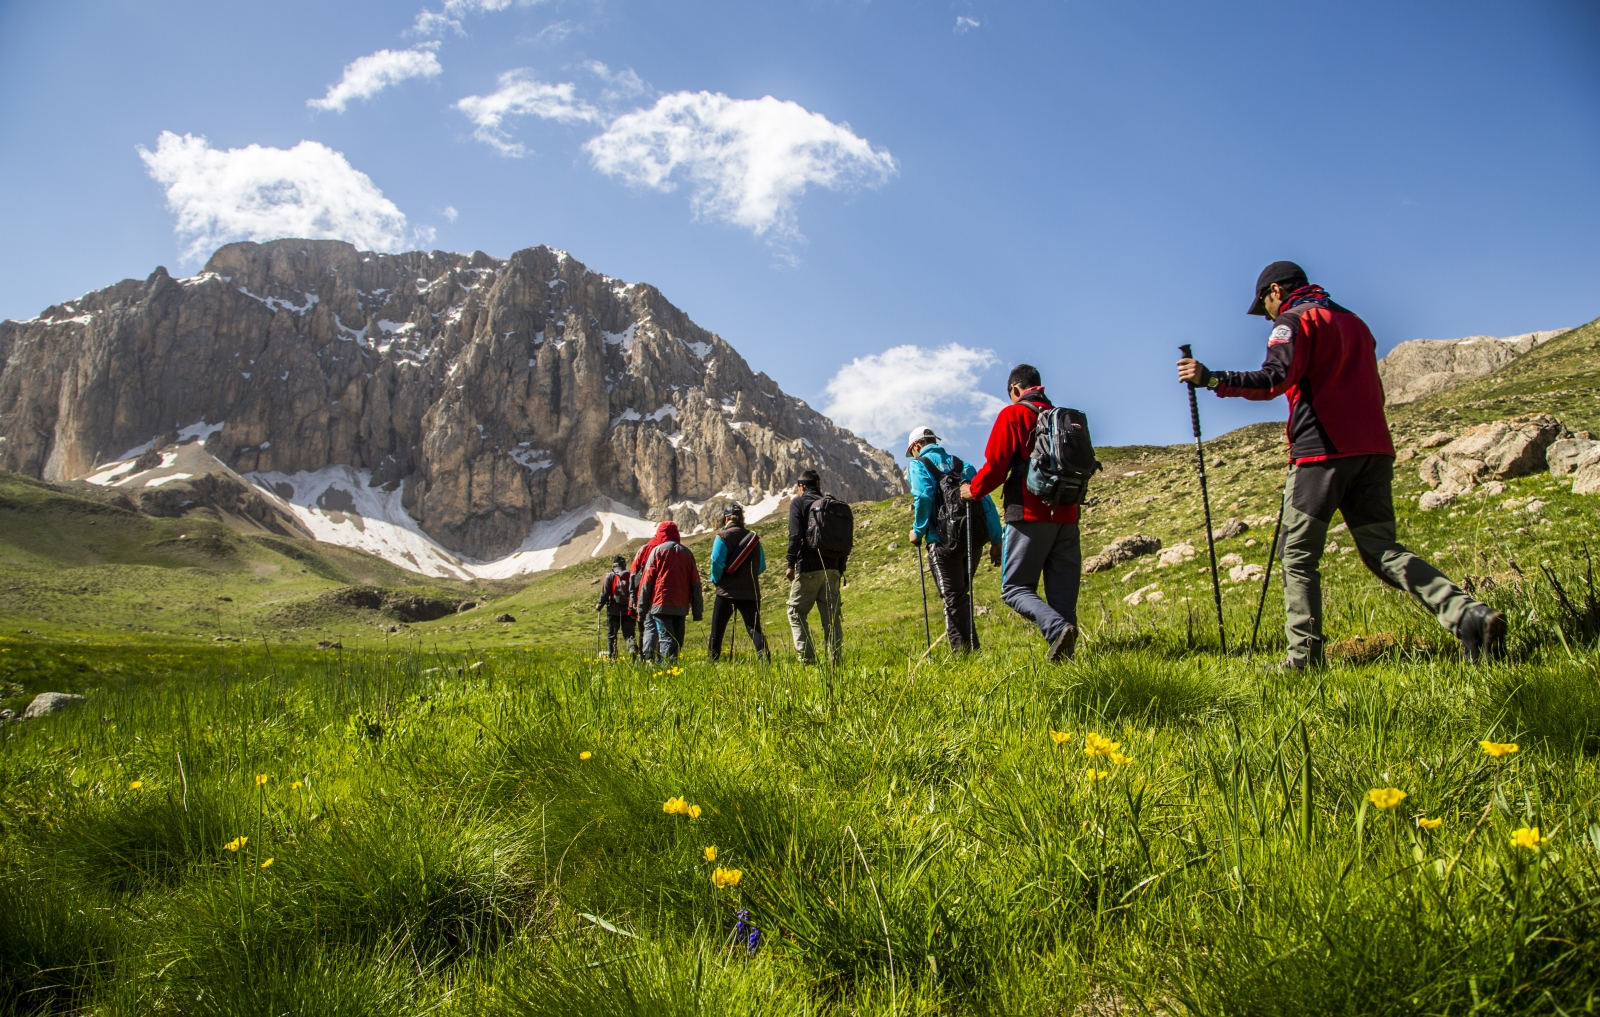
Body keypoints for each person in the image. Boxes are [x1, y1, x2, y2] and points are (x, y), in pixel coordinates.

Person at [1176, 260, 1507, 667]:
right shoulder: (1355, 322)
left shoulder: (1294, 322)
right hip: (1374, 450)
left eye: (1264, 306)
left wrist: (1211, 378)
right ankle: (1467, 615)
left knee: (1297, 554)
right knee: (1382, 549)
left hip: (1323, 453)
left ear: (1276, 291)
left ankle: (1303, 660)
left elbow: (1273, 379)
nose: (1266, 316)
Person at [960, 365, 1083, 663]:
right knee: (1061, 597)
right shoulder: (1061, 417)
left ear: (1016, 389)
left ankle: (1057, 629)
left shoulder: (1013, 414)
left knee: (1014, 588)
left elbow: (996, 466)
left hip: (1028, 513)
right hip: (1067, 514)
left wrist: (973, 491)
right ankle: (1067, 666)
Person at [905, 425, 1002, 652]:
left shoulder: (919, 465)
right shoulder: (962, 465)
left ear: (916, 446)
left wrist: (917, 531)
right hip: (971, 539)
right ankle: (972, 649)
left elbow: (924, 498)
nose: (913, 456)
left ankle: (961, 655)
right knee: (961, 596)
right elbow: (985, 502)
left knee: (952, 598)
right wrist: (996, 540)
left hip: (941, 541)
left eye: (912, 452)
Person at [785, 469, 846, 664]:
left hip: (809, 568)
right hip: (833, 568)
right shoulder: (832, 505)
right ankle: (835, 660)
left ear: (801, 487)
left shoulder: (799, 503)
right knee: (831, 617)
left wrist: (790, 563)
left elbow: (795, 536)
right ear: (818, 486)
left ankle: (807, 658)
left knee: (795, 612)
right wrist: (840, 567)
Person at [707, 504, 770, 661]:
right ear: (742, 519)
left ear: (726, 519)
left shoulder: (722, 537)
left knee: (717, 629)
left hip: (726, 593)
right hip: (750, 591)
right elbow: (761, 566)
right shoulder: (754, 539)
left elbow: (716, 562)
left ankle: (712, 661)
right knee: (754, 628)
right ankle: (764, 659)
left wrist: (716, 580)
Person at [636, 520, 703, 662]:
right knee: (677, 641)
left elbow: (646, 583)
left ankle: (667, 671)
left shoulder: (656, 551)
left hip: (660, 604)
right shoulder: (687, 553)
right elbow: (696, 584)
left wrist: (641, 611)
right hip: (681, 606)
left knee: (667, 639)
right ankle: (670, 669)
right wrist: (697, 611)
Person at [630, 520, 677, 661]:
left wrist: (633, 599)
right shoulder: (675, 549)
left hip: (646, 595)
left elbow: (634, 574)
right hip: (666, 596)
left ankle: (646, 658)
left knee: (647, 627)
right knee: (666, 629)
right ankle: (662, 658)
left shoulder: (646, 549)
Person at [594, 555, 636, 658]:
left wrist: (599, 606)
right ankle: (632, 649)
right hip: (629, 611)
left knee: (612, 636)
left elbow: (604, 594)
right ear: (624, 565)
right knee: (629, 635)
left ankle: (612, 657)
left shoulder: (610, 576)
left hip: (614, 611)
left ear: (614, 565)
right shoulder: (631, 575)